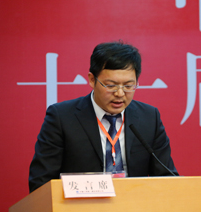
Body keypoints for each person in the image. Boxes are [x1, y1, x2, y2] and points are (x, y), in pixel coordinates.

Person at [28, 41, 176, 192]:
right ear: (92, 80)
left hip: (134, 202)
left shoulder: (149, 118)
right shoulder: (62, 117)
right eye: (111, 85)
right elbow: (41, 182)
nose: (120, 93)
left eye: (128, 86)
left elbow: (168, 177)